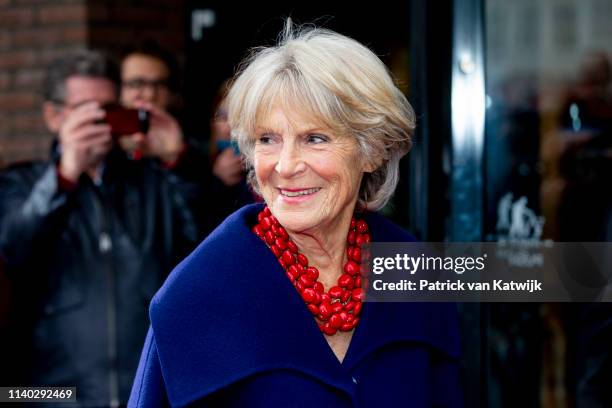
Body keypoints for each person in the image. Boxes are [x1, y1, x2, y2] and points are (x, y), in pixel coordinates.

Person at [129, 23, 461, 407]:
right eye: (267, 139)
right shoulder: (195, 293)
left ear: (373, 150)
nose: (285, 166)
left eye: (315, 138)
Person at [0, 50, 199, 407]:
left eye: (108, 109)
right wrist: (65, 173)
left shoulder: (154, 182)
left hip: (146, 392)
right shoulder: (20, 185)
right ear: (52, 116)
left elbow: (205, 248)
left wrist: (177, 160)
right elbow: (14, 252)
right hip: (51, 395)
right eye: (86, 110)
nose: (100, 122)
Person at [120, 42, 251, 230]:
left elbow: (202, 226)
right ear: (118, 90)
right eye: (136, 83)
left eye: (159, 84)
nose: (149, 94)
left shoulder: (192, 154)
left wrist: (179, 161)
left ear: (172, 94)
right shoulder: (102, 150)